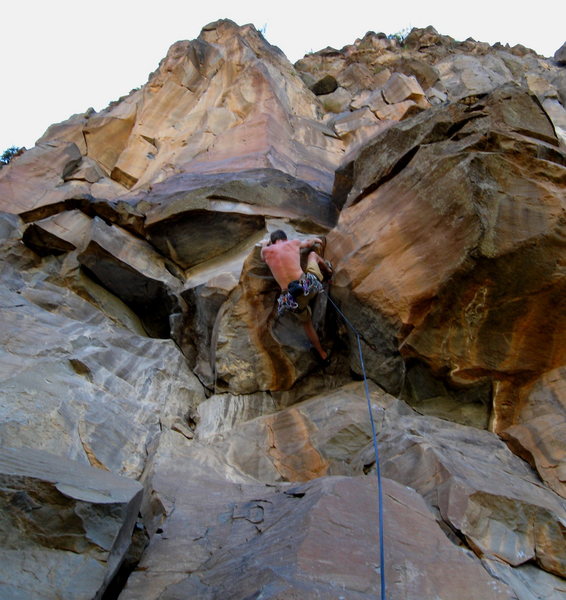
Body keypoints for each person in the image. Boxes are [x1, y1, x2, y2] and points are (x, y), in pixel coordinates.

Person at [261, 229, 332, 361]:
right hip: (308, 287)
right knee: (312, 255)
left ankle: (322, 354)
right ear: (285, 239)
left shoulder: (266, 252)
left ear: (272, 241)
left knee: (307, 324)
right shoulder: (293, 243)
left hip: (292, 299)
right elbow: (309, 243)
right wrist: (315, 240)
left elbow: (262, 255)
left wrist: (265, 244)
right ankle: (328, 271)